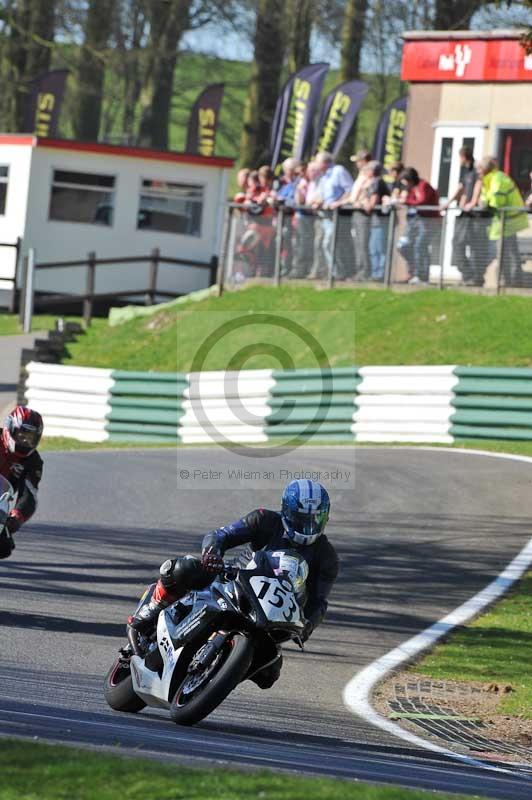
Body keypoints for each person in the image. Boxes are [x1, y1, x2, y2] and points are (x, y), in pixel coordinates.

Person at [129, 480, 339, 688]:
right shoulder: (264, 519)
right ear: (286, 511)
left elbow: (318, 601)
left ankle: (217, 675)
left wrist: (307, 625)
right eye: (301, 518)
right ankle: (152, 608)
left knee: (270, 672)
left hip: (270, 612)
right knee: (184, 568)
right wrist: (213, 553)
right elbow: (221, 535)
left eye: (315, 519)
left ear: (325, 518)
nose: (307, 526)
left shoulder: (327, 556)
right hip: (231, 582)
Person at [474, 156, 528, 287]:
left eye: (479, 169)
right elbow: (485, 198)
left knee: (505, 253)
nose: (477, 172)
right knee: (507, 252)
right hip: (504, 221)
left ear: (485, 169)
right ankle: (511, 281)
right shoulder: (489, 179)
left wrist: (485, 205)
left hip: (508, 221)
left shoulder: (497, 178)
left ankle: (511, 282)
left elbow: (497, 201)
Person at [0, 406, 43, 559]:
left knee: (4, 547)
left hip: (0, 503)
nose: (25, 441)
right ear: (10, 428)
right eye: (21, 435)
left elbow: (29, 493)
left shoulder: (33, 461)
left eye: (30, 438)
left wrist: (16, 518)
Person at [441, 146, 486, 285]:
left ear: (463, 156)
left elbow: (478, 185)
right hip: (464, 214)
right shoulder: (466, 172)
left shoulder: (476, 171)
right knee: (457, 243)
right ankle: (468, 274)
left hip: (474, 215)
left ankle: (475, 277)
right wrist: (448, 203)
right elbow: (461, 189)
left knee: (474, 245)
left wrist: (472, 202)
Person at [311, 151, 354, 279]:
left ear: (325, 162)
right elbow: (325, 196)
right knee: (327, 244)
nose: (316, 165)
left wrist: (338, 202)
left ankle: (339, 272)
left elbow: (350, 190)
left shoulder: (338, 171)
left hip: (339, 215)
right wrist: (319, 202)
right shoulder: (324, 177)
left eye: (317, 162)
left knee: (329, 243)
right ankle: (335, 272)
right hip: (327, 216)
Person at [397, 167, 439, 284]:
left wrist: (405, 202)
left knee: (420, 246)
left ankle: (422, 276)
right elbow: (409, 199)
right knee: (404, 246)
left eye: (406, 182)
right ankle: (413, 272)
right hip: (415, 222)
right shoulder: (411, 189)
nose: (405, 185)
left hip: (428, 222)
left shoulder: (423, 185)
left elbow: (422, 201)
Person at [360, 161, 390, 281]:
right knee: (373, 248)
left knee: (378, 249)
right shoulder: (372, 183)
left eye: (367, 170)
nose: (365, 173)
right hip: (375, 222)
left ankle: (379, 274)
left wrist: (365, 204)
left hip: (380, 222)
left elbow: (372, 203)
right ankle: (376, 273)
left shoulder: (377, 182)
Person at [347, 150, 373, 279]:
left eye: (358, 161)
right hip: (356, 211)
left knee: (362, 243)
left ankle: (364, 272)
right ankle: (360, 271)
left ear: (364, 161)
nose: (356, 163)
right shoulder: (360, 174)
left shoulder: (369, 175)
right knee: (358, 243)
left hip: (363, 214)